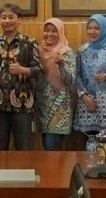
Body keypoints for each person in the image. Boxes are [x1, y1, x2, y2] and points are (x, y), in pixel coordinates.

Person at [0, 3, 41, 150]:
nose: (7, 21)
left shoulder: (29, 42)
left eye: (11, 17)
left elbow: (39, 70)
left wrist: (23, 70)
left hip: (23, 105)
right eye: (3, 17)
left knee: (23, 148)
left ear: (19, 19)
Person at [73, 14, 106, 137]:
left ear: (104, 29)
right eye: (89, 28)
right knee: (90, 140)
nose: (92, 32)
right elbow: (77, 76)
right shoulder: (82, 50)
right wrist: (84, 96)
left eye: (96, 28)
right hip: (87, 101)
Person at [36, 18, 76, 150]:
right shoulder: (38, 51)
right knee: (46, 147)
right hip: (42, 106)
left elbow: (70, 80)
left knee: (52, 146)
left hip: (59, 107)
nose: (49, 34)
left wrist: (62, 64)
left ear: (60, 32)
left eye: (54, 31)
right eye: (46, 30)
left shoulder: (66, 52)